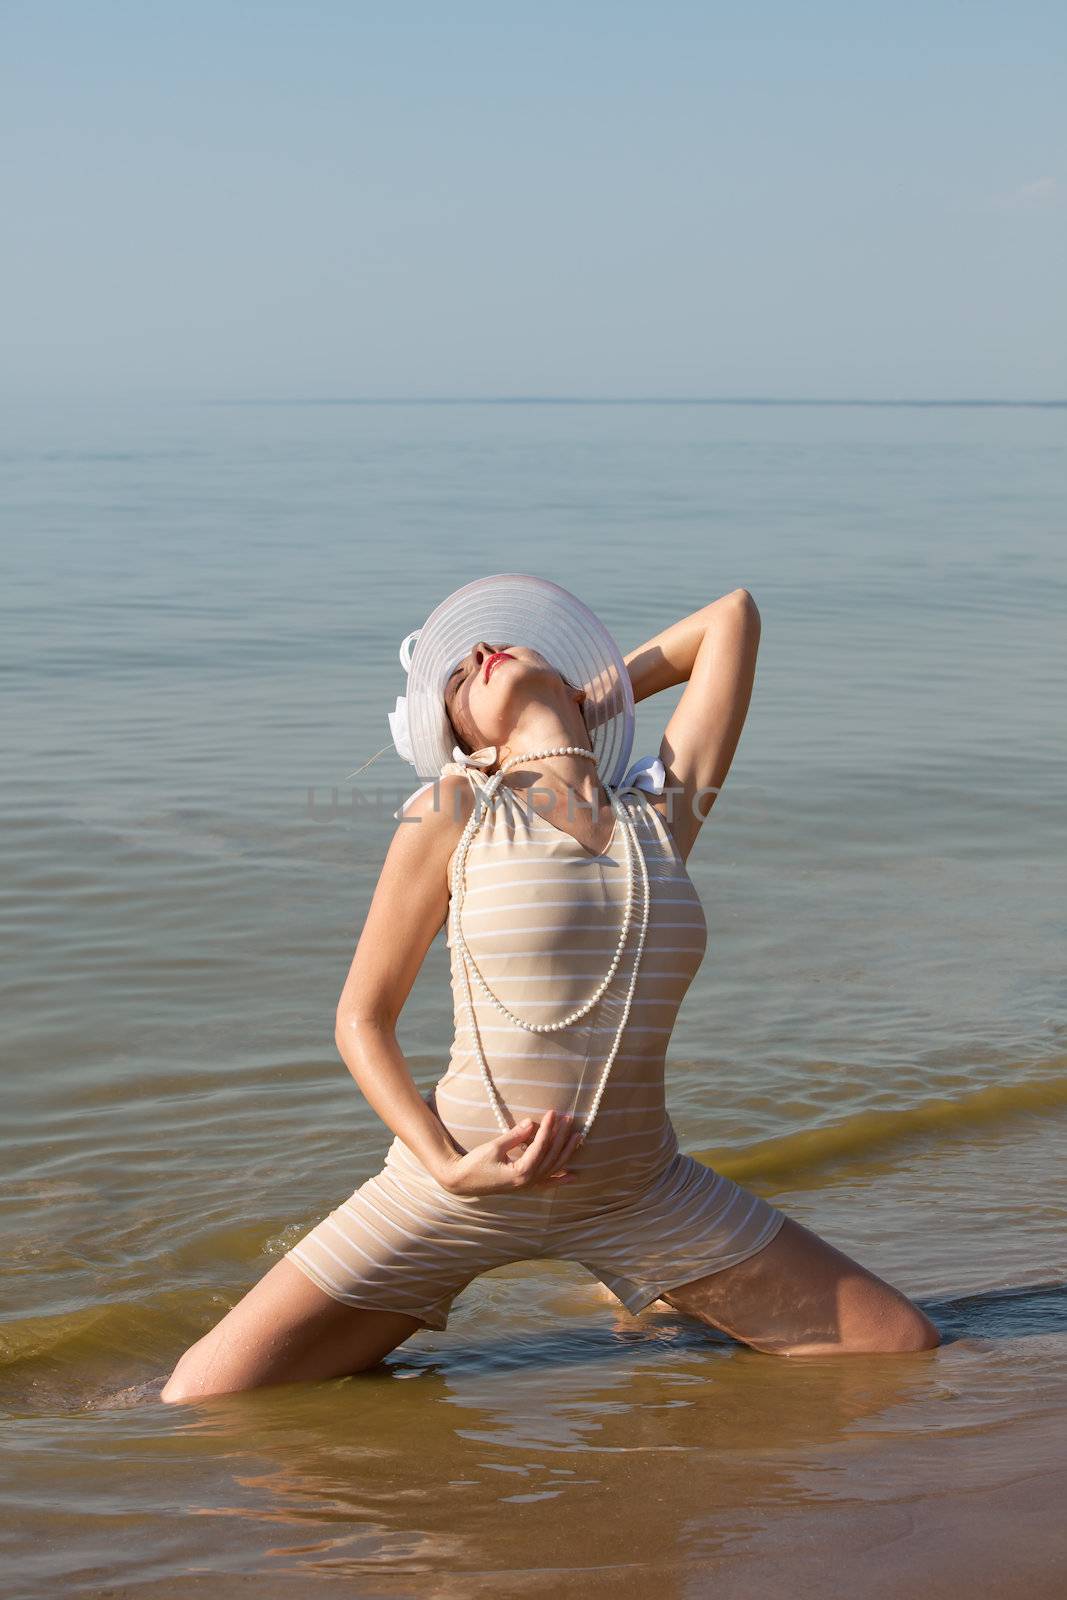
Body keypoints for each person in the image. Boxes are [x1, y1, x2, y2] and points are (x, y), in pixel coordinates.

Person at [161, 575, 939, 1404]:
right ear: (466, 744)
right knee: (203, 1399)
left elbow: (730, 618)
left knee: (901, 1348)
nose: (477, 656)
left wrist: (581, 701)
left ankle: (639, 1293)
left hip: (638, 1190)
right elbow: (362, 1018)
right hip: (452, 1186)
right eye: (459, 681)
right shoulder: (454, 806)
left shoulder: (661, 813)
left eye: (492, 651)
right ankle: (626, 1298)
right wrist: (447, 1170)